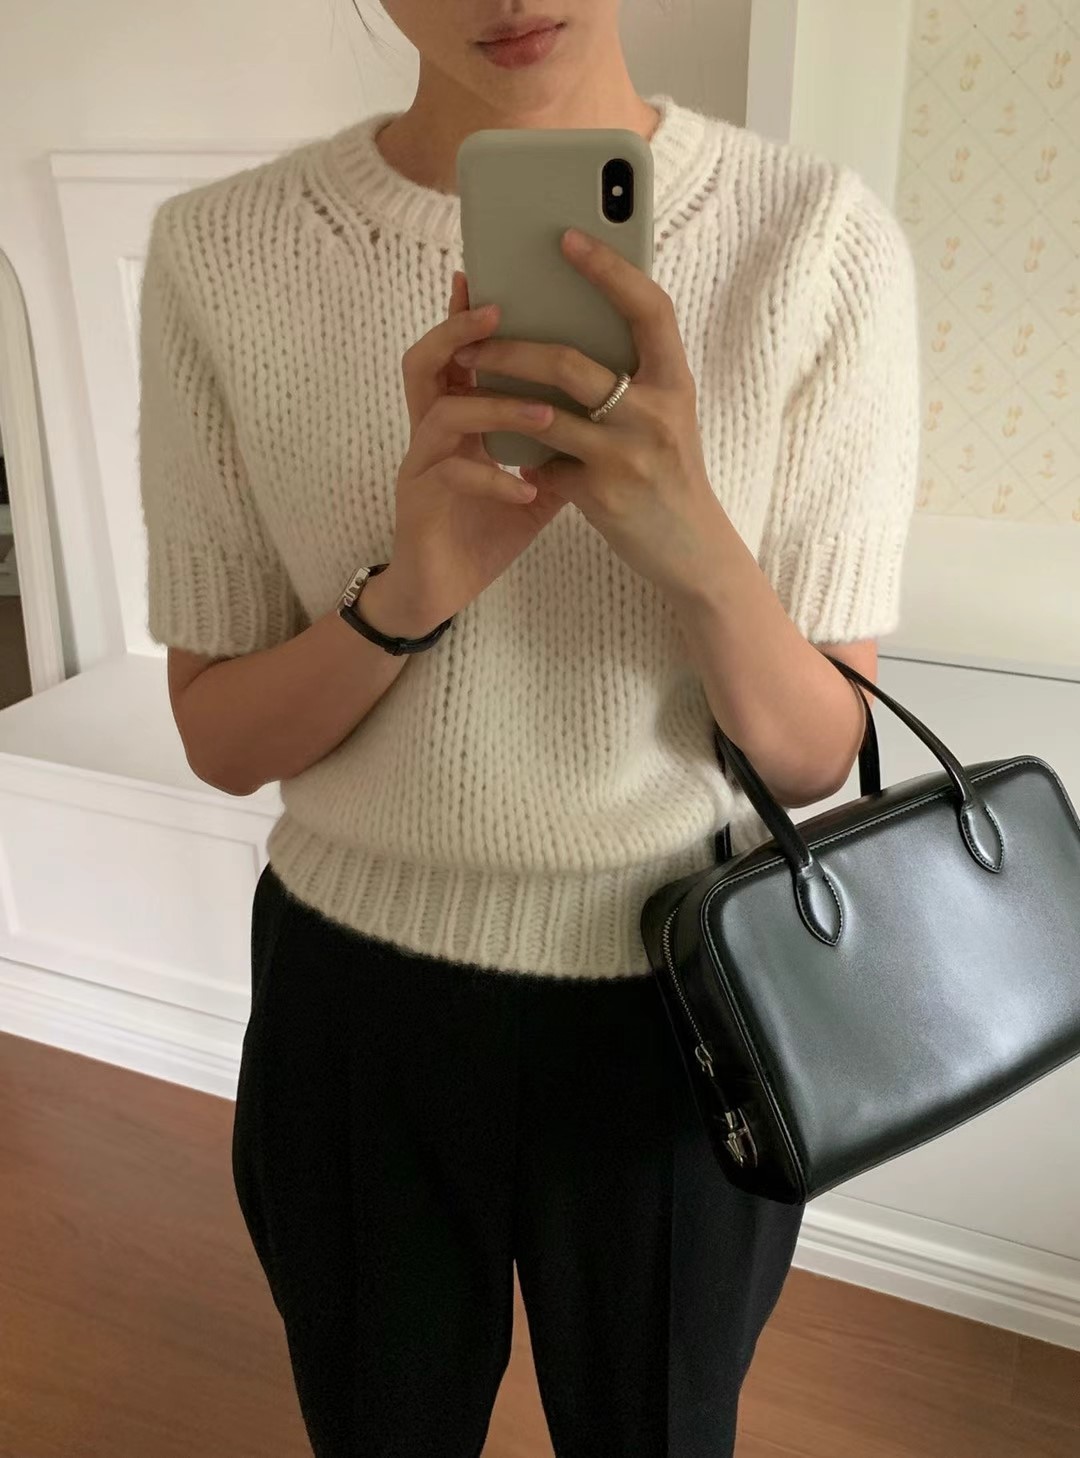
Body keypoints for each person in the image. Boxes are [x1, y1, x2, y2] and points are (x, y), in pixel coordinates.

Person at [136, 2, 920, 1454]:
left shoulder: (814, 242)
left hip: (685, 1002)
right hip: (354, 1007)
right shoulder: (220, 253)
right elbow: (221, 740)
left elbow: (817, 759)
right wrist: (410, 594)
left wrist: (694, 543)